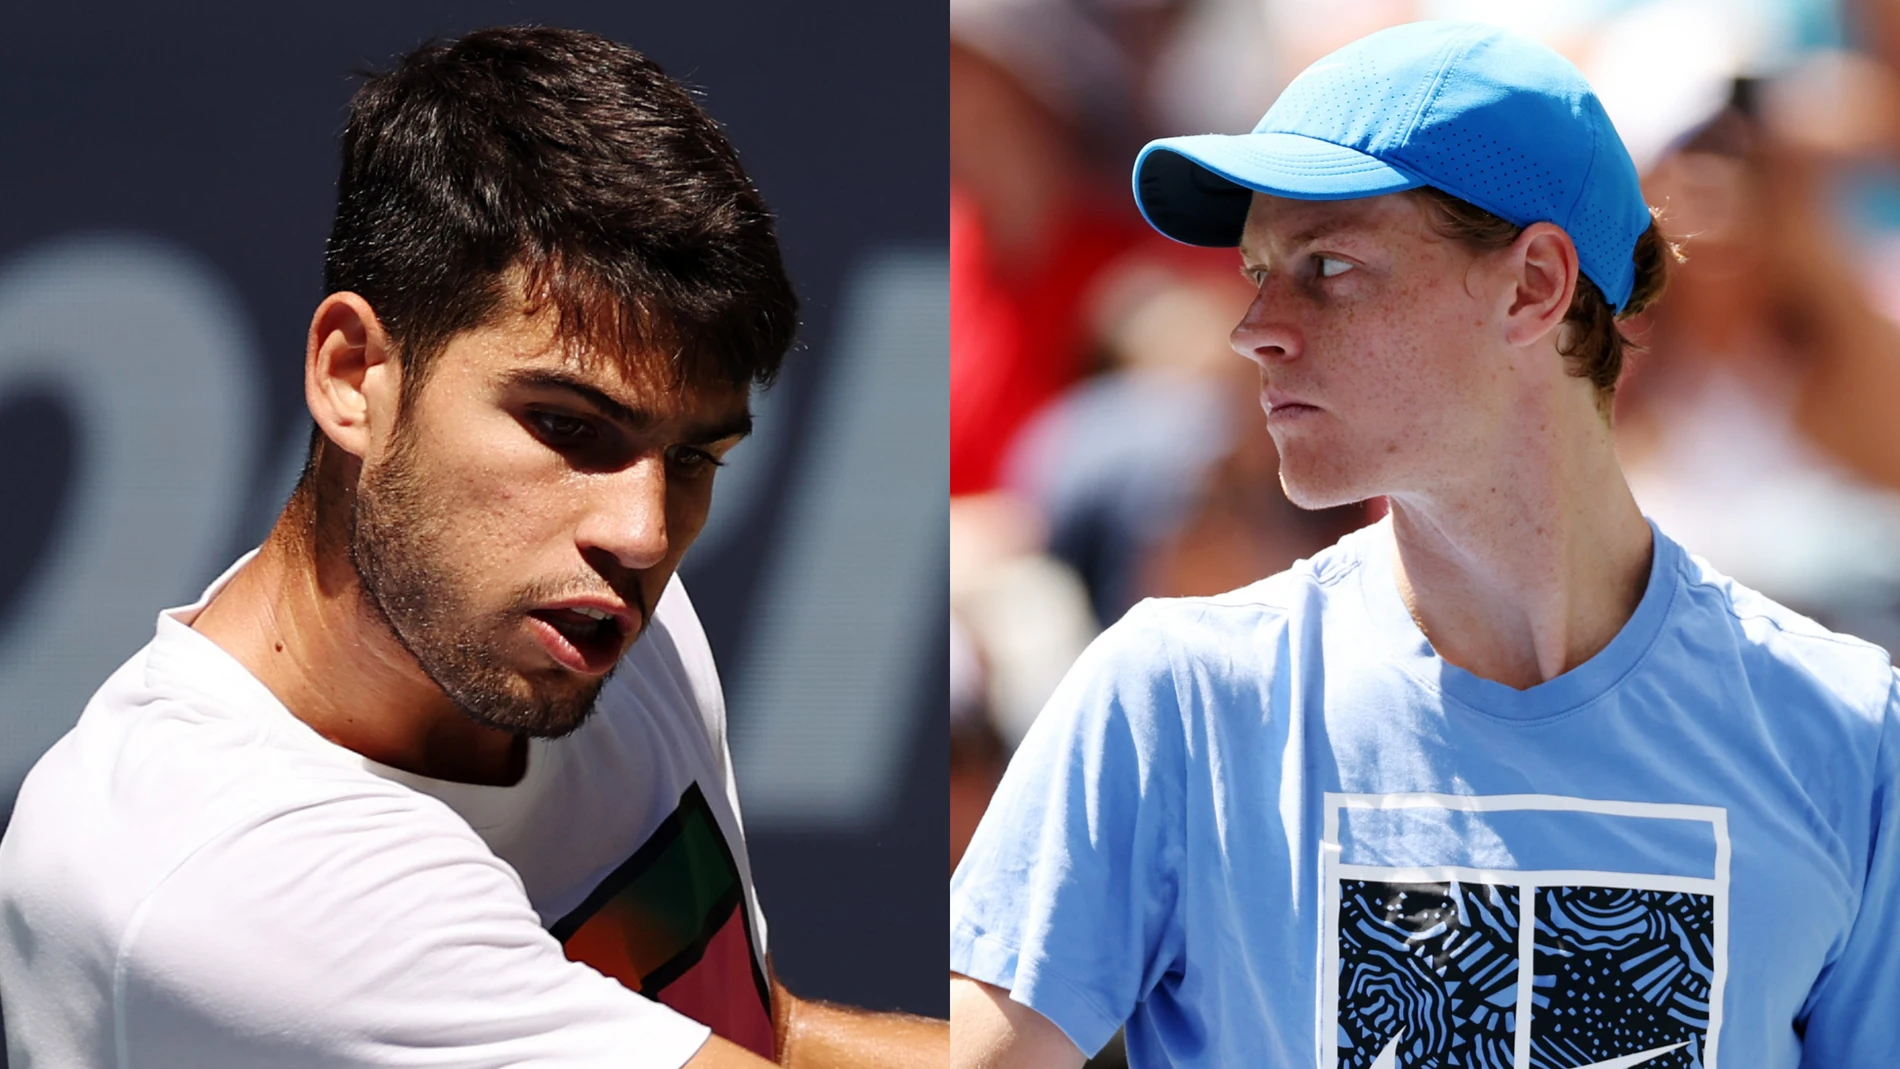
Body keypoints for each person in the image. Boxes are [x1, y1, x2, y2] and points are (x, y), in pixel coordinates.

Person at [950, 21, 1900, 1068]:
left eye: (1325, 265)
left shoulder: (1848, 736)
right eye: (1258, 269)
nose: (1254, 327)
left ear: (1534, 284)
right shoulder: (1167, 697)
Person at [0, 26, 943, 1069]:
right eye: (566, 427)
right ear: (354, 374)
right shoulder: (214, 864)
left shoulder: (604, 621)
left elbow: (757, 1033)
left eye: (690, 458)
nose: (639, 535)